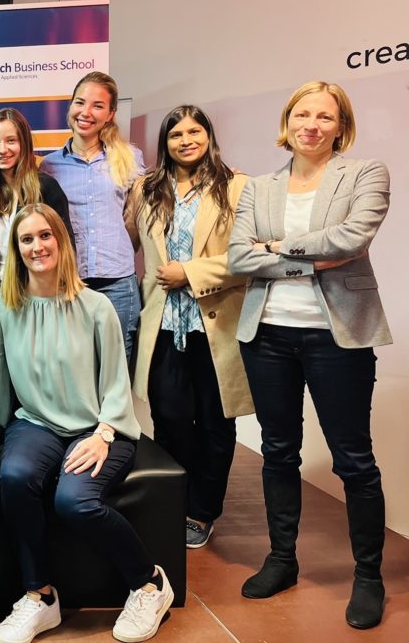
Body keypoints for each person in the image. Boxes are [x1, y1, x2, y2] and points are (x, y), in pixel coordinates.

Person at [228, 81, 391, 629]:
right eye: (302, 114)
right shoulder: (259, 187)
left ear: (340, 126)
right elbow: (237, 257)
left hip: (336, 337)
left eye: (325, 116)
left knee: (353, 461)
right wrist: (305, 258)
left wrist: (273, 248)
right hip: (268, 335)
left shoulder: (366, 173)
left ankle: (368, 576)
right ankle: (282, 559)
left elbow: (351, 238)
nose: (312, 124)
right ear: (287, 122)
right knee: (278, 452)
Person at [0, 204, 172, 643]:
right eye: (26, 239)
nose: (37, 246)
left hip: (99, 426)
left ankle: (149, 583)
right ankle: (40, 597)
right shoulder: (1, 307)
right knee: (13, 476)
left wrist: (104, 435)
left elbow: (115, 384)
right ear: (16, 249)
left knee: (74, 501)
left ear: (61, 241)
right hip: (35, 423)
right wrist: (3, 437)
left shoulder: (96, 306)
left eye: (45, 236)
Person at [125, 106, 252, 550]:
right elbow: (123, 240)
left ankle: (202, 510)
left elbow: (248, 255)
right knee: (171, 418)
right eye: (175, 133)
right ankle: (172, 500)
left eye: (194, 131)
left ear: (208, 135)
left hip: (215, 325)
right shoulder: (147, 188)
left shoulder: (236, 186)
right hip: (162, 325)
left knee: (217, 424)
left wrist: (191, 273)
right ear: (166, 143)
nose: (185, 140)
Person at [40, 71, 144, 360]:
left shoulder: (129, 158)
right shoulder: (49, 166)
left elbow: (149, 207)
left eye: (98, 106)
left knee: (117, 369)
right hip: (68, 281)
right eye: (79, 102)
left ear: (110, 114)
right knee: (72, 367)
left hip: (118, 282)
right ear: (70, 106)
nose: (86, 112)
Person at [0, 108, 72, 292]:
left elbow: (65, 246)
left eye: (11, 141)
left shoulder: (46, 189)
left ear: (24, 143)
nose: (2, 150)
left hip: (40, 295)